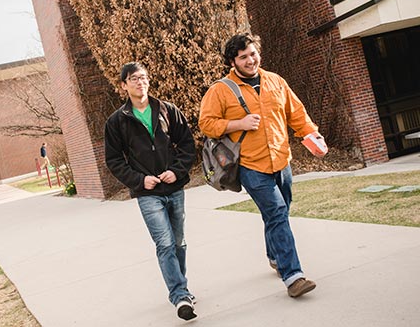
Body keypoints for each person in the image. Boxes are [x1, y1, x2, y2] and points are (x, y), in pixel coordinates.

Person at [199, 34, 327, 298]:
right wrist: (238, 124)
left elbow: (297, 114)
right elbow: (207, 123)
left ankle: (275, 255)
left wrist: (312, 135)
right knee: (277, 212)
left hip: (281, 159)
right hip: (250, 164)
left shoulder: (275, 81)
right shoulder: (220, 90)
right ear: (232, 61)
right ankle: (293, 277)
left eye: (253, 53)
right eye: (243, 56)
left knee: (279, 213)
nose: (250, 60)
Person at [105, 62, 198, 320]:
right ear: (124, 85)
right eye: (134, 79)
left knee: (178, 241)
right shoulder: (117, 121)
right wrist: (139, 180)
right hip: (148, 194)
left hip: (174, 187)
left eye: (143, 77)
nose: (140, 82)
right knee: (165, 243)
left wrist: (177, 171)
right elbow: (114, 160)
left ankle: (182, 287)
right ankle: (180, 296)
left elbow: (188, 144)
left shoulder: (167, 110)